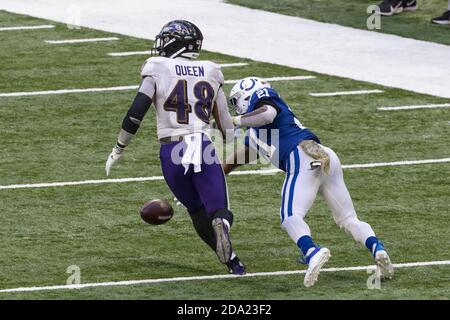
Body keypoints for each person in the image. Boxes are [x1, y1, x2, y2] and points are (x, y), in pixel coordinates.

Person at [222, 77, 394, 287]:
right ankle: (378, 248)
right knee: (348, 218)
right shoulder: (255, 133)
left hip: (302, 155)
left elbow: (267, 114)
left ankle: (312, 252)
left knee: (289, 216)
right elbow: (244, 155)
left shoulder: (263, 98)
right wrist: (208, 179)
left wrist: (235, 121)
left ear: (244, 97)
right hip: (324, 155)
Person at [105, 20, 245, 275]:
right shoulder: (211, 71)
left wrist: (119, 147)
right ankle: (224, 230)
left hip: (170, 152)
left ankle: (232, 261)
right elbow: (228, 131)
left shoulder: (157, 67)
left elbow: (136, 112)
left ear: (177, 41)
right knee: (218, 210)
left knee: (195, 210)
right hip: (200, 145)